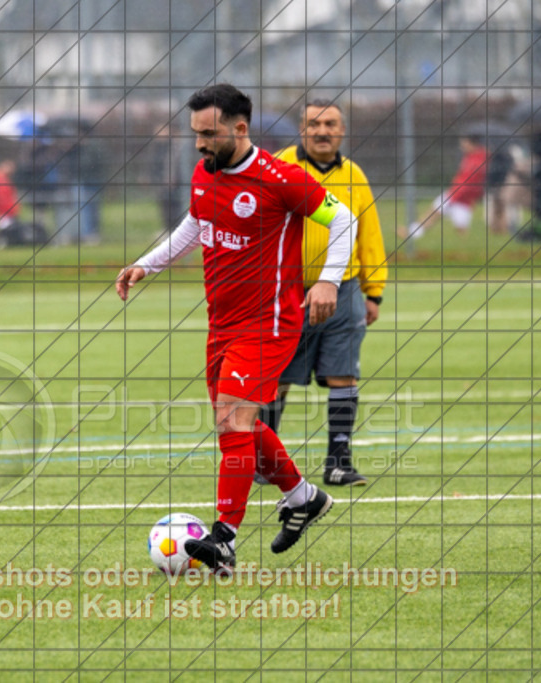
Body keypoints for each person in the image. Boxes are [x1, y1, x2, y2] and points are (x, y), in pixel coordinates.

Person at [115, 84, 358, 573]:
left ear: (240, 128)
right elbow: (195, 224)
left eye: (209, 134)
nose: (200, 144)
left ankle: (224, 538)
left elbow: (345, 221)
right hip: (222, 323)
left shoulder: (279, 178)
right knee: (241, 425)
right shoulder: (204, 174)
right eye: (196, 134)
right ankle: (303, 497)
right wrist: (147, 264)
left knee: (232, 422)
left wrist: (328, 282)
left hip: (268, 323)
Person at [259, 99, 387, 487]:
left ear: (341, 131)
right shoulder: (279, 167)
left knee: (343, 374)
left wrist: (373, 291)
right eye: (314, 124)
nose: (322, 131)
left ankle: (339, 463)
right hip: (286, 291)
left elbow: (369, 233)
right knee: (276, 377)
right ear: (301, 129)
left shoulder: (354, 175)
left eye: (330, 124)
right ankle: (266, 462)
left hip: (343, 291)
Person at [401, 133, 487, 241]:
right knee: (437, 214)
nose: (462, 146)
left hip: (461, 195)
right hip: (458, 194)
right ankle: (411, 233)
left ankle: (411, 233)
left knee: (452, 223)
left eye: (464, 143)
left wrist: (458, 194)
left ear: (472, 144)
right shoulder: (472, 157)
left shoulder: (478, 160)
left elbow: (472, 181)